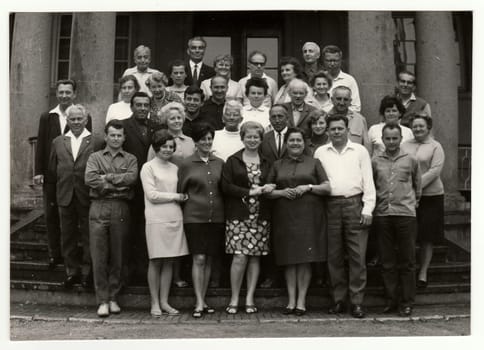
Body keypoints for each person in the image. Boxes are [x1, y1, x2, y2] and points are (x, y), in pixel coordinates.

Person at [314, 114, 376, 318]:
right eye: (333, 129)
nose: (336, 132)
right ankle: (338, 300)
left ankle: (357, 302)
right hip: (330, 205)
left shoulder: (360, 151)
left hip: (354, 204)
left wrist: (367, 209)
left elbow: (368, 181)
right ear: (327, 131)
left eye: (340, 128)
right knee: (334, 256)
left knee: (358, 255)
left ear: (347, 130)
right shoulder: (320, 152)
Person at [266, 127, 330, 315]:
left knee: (304, 259)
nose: (295, 144)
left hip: (309, 216)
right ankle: (291, 301)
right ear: (286, 144)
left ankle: (301, 301)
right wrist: (281, 192)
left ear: (304, 144)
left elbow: (327, 188)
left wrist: (308, 187)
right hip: (285, 216)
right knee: (290, 259)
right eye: (292, 140)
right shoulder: (277, 165)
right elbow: (267, 191)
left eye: (299, 141)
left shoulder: (314, 162)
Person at [34, 79, 92, 270]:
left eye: (68, 92)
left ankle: (80, 259)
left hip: (74, 176)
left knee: (77, 218)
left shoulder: (82, 115)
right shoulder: (47, 116)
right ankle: (54, 254)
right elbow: (42, 144)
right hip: (52, 174)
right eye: (61, 92)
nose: (65, 95)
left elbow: (87, 144)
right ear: (56, 94)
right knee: (52, 215)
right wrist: (39, 171)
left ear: (74, 94)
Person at [84, 120, 138, 317]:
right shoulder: (94, 157)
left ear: (124, 138)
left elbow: (131, 179)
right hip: (98, 207)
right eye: (112, 135)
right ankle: (102, 300)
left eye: (119, 135)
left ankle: (114, 297)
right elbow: (89, 178)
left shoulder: (130, 158)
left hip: (121, 208)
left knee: (119, 254)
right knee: (99, 255)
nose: (115, 138)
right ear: (105, 136)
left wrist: (106, 178)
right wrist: (116, 184)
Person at [221, 121, 275, 314]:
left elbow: (272, 181)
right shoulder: (233, 160)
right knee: (239, 256)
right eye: (249, 136)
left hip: (261, 215)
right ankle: (235, 297)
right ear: (242, 138)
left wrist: (269, 187)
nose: (252, 140)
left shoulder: (268, 161)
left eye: (256, 137)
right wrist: (250, 192)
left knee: (254, 258)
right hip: (239, 214)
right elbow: (226, 186)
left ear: (261, 139)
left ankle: (250, 297)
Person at [372, 123, 421, 317]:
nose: (391, 142)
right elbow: (373, 185)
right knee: (387, 261)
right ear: (382, 139)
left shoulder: (411, 160)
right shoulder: (375, 161)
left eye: (395, 138)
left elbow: (418, 185)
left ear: (401, 139)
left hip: (405, 215)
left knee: (407, 260)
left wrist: (413, 202)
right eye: (387, 138)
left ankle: (407, 302)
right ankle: (391, 300)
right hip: (383, 214)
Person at [140, 130, 189, 317]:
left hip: (175, 217)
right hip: (156, 218)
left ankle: (164, 301)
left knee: (169, 261)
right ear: (156, 147)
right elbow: (152, 195)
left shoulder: (175, 168)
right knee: (155, 260)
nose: (168, 150)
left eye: (171, 147)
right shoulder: (148, 167)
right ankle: (154, 303)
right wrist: (176, 196)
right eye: (164, 146)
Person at [178, 123, 225, 318]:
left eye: (209, 139)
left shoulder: (220, 162)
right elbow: (180, 191)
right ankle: (198, 301)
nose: (207, 142)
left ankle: (203, 299)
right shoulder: (187, 164)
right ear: (195, 142)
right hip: (194, 218)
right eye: (203, 139)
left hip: (217, 218)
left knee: (209, 260)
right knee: (198, 258)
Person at [46, 104, 94, 289]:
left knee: (89, 235)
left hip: (87, 194)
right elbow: (52, 169)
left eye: (79, 119)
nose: (75, 122)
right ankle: (71, 272)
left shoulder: (95, 140)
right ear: (67, 120)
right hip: (65, 194)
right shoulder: (58, 142)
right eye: (72, 119)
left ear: (85, 120)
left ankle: (88, 273)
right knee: (68, 236)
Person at [401, 113, 445, 289]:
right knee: (409, 234)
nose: (418, 129)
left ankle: (423, 272)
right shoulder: (405, 145)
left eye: (421, 126)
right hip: (407, 196)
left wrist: (416, 187)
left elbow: (435, 171)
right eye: (415, 126)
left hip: (431, 196)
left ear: (428, 127)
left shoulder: (436, 146)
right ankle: (409, 269)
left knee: (427, 236)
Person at [122, 91, 153, 283]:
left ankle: (144, 271)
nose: (142, 108)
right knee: (128, 231)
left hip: (149, 187)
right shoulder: (123, 126)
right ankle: (129, 272)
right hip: (130, 188)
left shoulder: (156, 126)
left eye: (145, 105)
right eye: (138, 105)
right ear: (132, 106)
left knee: (146, 230)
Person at [328, 86, 370, 152]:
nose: (342, 103)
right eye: (339, 99)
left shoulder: (360, 119)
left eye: (345, 99)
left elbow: (367, 145)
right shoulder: (325, 118)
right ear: (332, 100)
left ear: (350, 101)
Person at [322, 45, 361, 112]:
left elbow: (356, 107)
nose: (332, 63)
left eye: (335, 60)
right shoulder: (318, 78)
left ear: (340, 61)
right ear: (324, 61)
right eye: (329, 61)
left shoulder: (349, 80)